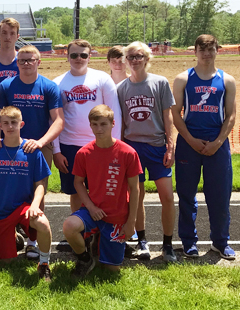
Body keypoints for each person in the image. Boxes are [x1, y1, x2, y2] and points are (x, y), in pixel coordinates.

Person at [0, 44, 64, 259]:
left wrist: (40, 142)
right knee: (5, 191)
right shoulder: (6, 85)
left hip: (38, 149)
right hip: (9, 147)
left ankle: (33, 240)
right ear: (17, 63)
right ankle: (9, 233)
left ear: (38, 62)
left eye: (30, 60)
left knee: (38, 193)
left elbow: (59, 121)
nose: (26, 64)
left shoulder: (48, 87)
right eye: (22, 60)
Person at [171, 34, 237, 260]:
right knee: (187, 195)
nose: (207, 53)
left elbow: (231, 116)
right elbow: (175, 114)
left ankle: (220, 242)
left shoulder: (227, 80)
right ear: (195, 51)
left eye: (211, 49)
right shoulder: (183, 79)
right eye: (203, 49)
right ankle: (189, 242)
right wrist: (190, 139)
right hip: (189, 142)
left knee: (219, 196)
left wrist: (218, 142)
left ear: (218, 50)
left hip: (217, 143)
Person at [62, 105, 141, 277]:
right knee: (69, 226)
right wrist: (91, 207)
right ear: (90, 125)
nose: (99, 129)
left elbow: (135, 189)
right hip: (93, 211)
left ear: (113, 124)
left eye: (103, 124)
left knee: (111, 271)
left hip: (117, 215)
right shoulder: (84, 153)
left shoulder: (128, 153)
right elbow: (78, 183)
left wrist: (131, 222)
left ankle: (98, 241)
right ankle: (84, 259)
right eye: (95, 124)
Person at [117, 42, 176, 262]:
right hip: (133, 147)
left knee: (167, 197)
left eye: (139, 56)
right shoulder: (121, 88)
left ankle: (168, 244)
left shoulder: (159, 83)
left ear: (147, 57)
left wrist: (170, 144)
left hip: (157, 146)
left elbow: (167, 115)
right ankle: (142, 241)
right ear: (126, 60)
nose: (134, 60)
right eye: (130, 56)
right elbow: (121, 122)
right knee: (136, 197)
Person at [0, 106, 53, 282]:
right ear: (0, 125)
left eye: (14, 123)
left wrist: (35, 205)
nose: (10, 126)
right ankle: (15, 237)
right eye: (6, 123)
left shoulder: (31, 150)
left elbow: (41, 184)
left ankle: (44, 264)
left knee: (42, 223)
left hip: (24, 208)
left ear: (21, 124)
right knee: (7, 262)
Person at [52, 39, 122, 213]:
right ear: (67, 57)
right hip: (69, 145)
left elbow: (115, 114)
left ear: (90, 56)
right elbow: (53, 120)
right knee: (75, 191)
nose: (78, 58)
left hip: (100, 145)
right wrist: (56, 151)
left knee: (103, 190)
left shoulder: (103, 78)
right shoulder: (57, 83)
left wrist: (117, 146)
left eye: (83, 55)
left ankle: (102, 230)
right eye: (74, 55)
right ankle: (79, 230)